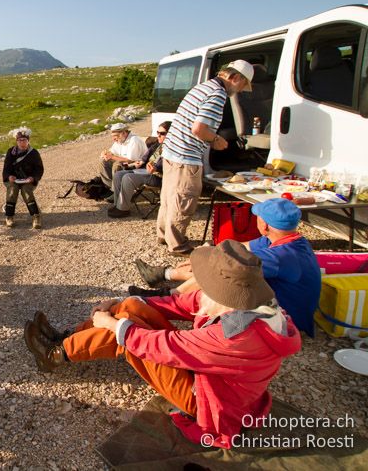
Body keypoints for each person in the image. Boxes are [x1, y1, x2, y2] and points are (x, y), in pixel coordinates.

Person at [24, 240, 301, 449]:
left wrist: (111, 324)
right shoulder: (251, 304)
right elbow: (180, 303)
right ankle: (67, 338)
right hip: (211, 380)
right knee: (131, 307)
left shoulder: (237, 336)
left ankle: (55, 355)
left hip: (206, 399)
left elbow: (167, 346)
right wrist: (117, 305)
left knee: (123, 337)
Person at [132, 198, 321, 336]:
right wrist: (207, 254)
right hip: (281, 304)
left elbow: (226, 267)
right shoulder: (286, 241)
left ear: (264, 225)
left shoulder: (280, 256)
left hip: (284, 319)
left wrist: (205, 258)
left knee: (218, 278)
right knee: (217, 264)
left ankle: (169, 296)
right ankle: (165, 276)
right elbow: (239, 248)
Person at [157, 60, 254, 255]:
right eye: (243, 85)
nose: (241, 90)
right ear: (235, 78)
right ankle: (177, 245)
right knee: (184, 200)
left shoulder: (203, 86)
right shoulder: (218, 94)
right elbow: (199, 129)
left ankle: (163, 235)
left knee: (168, 198)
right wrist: (216, 140)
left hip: (171, 151)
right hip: (186, 156)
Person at [108, 121, 172, 218]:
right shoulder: (158, 144)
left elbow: (168, 165)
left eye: (162, 133)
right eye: (157, 133)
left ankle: (123, 209)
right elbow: (146, 156)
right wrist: (140, 162)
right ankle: (118, 205)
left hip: (158, 176)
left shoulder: (173, 147)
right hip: (147, 171)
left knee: (128, 178)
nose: (158, 136)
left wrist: (156, 168)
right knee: (119, 174)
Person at [2, 127, 45, 229]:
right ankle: (9, 216)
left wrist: (33, 178)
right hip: (13, 180)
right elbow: (6, 168)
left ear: (28, 141)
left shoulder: (34, 153)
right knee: (12, 190)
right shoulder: (10, 152)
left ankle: (36, 217)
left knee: (26, 191)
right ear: (16, 141)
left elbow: (39, 169)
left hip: (28, 180)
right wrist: (9, 176)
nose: (22, 142)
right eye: (19, 140)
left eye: (24, 140)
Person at [98, 123, 148, 189]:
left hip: (138, 166)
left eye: (116, 136)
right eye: (112, 136)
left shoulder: (134, 140)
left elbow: (130, 160)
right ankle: (110, 187)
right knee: (103, 161)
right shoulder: (120, 140)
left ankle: (117, 190)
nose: (114, 139)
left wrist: (112, 157)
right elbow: (112, 151)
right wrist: (105, 153)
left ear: (124, 133)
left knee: (117, 165)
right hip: (127, 163)